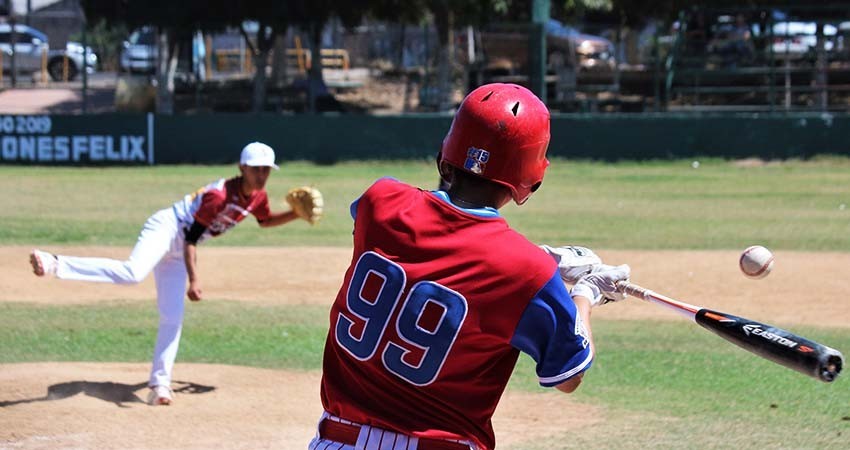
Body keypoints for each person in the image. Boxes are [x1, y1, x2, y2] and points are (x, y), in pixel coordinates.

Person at [310, 83, 630, 450]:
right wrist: (583, 295)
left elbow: (430, 235)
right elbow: (569, 374)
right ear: (530, 177)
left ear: (446, 154)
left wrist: (540, 263)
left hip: (335, 441)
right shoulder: (525, 271)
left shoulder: (380, 201)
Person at [29, 142, 306, 406]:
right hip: (168, 229)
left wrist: (296, 215)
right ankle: (55, 263)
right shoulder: (218, 196)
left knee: (173, 316)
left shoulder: (258, 197)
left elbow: (265, 220)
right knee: (132, 273)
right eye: (256, 168)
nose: (261, 175)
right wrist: (194, 280)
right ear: (241, 167)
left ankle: (160, 384)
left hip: (179, 249)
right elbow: (191, 240)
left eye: (266, 169)